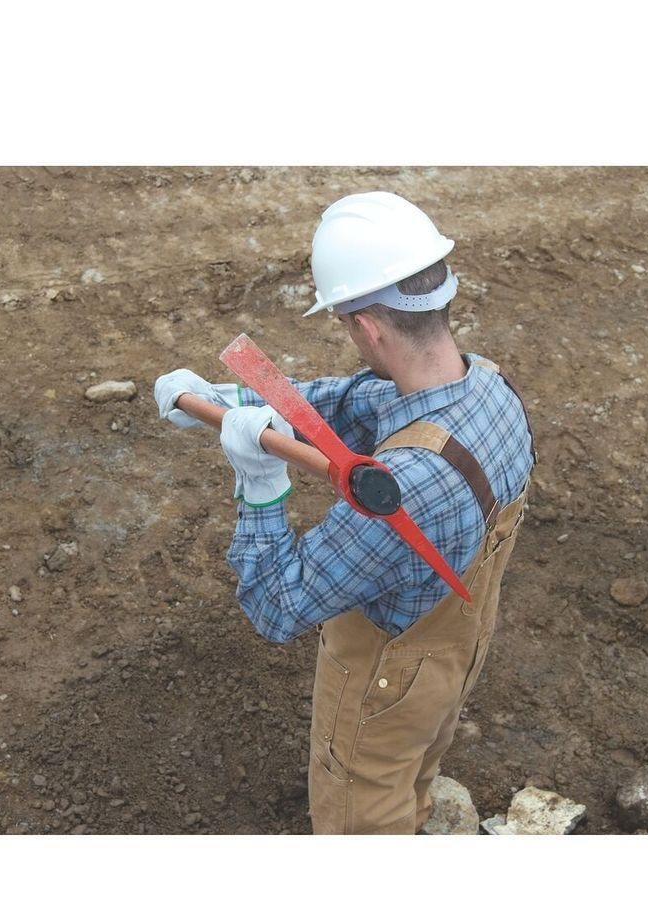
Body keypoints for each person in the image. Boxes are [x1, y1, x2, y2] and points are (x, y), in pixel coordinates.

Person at [154, 191, 535, 834]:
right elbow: (344, 402)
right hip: (452, 657)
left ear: (366, 327)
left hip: (385, 683)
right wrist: (219, 397)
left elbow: (277, 606)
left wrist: (261, 481)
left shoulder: (409, 486)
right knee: (414, 768)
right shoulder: (488, 387)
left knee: (365, 803)